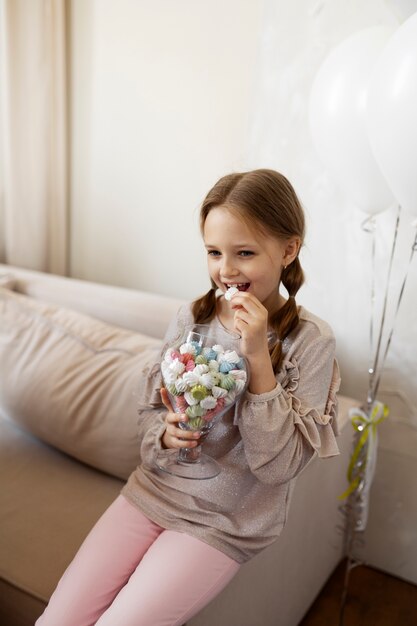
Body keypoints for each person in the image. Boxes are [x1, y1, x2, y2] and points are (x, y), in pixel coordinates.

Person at [37, 168, 341, 626]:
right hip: (153, 492)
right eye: (214, 252)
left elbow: (276, 467)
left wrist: (258, 355)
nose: (226, 270)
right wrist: (165, 434)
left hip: (224, 522)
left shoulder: (311, 342)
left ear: (288, 249)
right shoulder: (191, 319)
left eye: (245, 253)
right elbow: (150, 413)